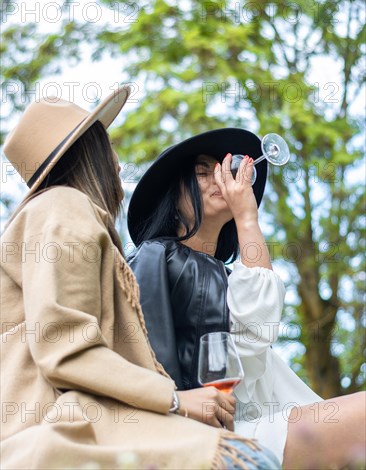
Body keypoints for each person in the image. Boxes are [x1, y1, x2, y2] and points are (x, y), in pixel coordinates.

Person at [1, 95, 279, 470]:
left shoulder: (68, 216)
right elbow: (66, 349)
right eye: (107, 143)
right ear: (91, 151)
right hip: (64, 426)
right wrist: (178, 400)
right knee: (251, 459)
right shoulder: (63, 207)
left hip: (92, 418)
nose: (117, 160)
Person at [127, 128, 366, 470]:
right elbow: (255, 330)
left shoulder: (225, 275)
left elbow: (255, 323)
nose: (220, 178)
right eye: (201, 172)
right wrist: (247, 217)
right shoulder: (157, 259)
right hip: (217, 439)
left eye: (223, 169)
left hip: (260, 427)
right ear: (172, 194)